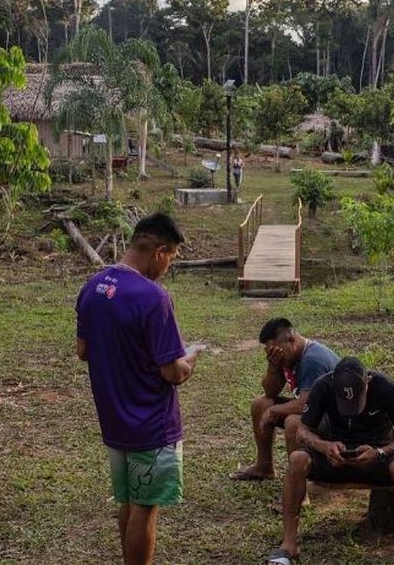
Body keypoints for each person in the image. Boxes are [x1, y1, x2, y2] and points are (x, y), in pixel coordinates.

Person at [76, 213, 201, 565]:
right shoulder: (153, 297)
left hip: (114, 420)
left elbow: (82, 350)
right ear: (160, 251)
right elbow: (172, 372)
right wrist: (190, 360)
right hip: (151, 424)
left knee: (129, 501)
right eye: (172, 259)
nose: (167, 267)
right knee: (145, 509)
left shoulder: (94, 286)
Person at [266, 357, 394, 565]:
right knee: (297, 459)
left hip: (376, 457)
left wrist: (379, 452)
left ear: (368, 382)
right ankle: (288, 544)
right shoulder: (323, 386)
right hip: (335, 458)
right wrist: (325, 447)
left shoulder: (387, 387)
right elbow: (302, 431)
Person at [230, 318, 339, 481]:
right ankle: (264, 467)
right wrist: (273, 366)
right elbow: (270, 391)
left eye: (276, 350)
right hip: (316, 413)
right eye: (269, 351)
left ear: (291, 340)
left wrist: (275, 410)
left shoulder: (313, 360)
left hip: (337, 422)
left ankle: (299, 489)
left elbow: (306, 405)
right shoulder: (288, 355)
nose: (274, 354)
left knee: (293, 423)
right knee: (261, 405)